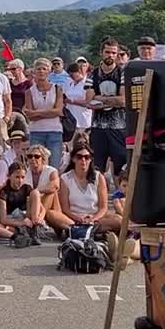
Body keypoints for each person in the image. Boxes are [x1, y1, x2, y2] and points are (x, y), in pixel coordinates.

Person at [46, 143, 121, 233]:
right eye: (79, 157)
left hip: (95, 218)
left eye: (87, 157)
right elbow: (65, 209)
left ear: (90, 159)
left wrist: (93, 219)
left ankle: (83, 231)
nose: (83, 160)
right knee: (51, 214)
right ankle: (82, 231)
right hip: (73, 219)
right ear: (73, 159)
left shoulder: (98, 176)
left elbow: (103, 208)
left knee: (119, 220)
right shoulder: (65, 178)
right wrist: (79, 219)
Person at [86, 37, 128, 178]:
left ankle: (120, 198)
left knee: (120, 169)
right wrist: (112, 100)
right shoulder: (93, 74)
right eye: (107, 52)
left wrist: (100, 99)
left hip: (119, 127)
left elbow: (123, 101)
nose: (110, 55)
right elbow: (89, 102)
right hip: (98, 127)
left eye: (114, 53)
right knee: (97, 169)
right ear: (101, 53)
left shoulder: (122, 73)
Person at [0, 161, 46, 244]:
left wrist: (40, 217)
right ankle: (16, 237)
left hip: (26, 219)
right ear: (9, 176)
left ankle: (33, 231)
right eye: (17, 177)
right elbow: (3, 219)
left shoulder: (27, 188)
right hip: (11, 220)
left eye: (22, 177)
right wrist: (21, 223)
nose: (20, 180)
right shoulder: (4, 191)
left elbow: (42, 208)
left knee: (35, 192)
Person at [24, 57, 65, 167]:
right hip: (36, 132)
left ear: (49, 71)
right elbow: (30, 116)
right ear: (34, 72)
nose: (41, 71)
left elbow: (59, 111)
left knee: (54, 166)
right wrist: (50, 112)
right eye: (38, 69)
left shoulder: (57, 89)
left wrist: (37, 113)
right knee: (36, 167)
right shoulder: (29, 92)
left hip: (54, 131)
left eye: (44, 68)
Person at [24, 144, 62, 216]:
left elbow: (55, 186)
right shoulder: (25, 172)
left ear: (43, 159)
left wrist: (36, 191)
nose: (33, 159)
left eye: (37, 156)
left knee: (51, 192)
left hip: (47, 204)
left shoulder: (51, 171)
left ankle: (37, 217)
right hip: (29, 204)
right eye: (30, 156)